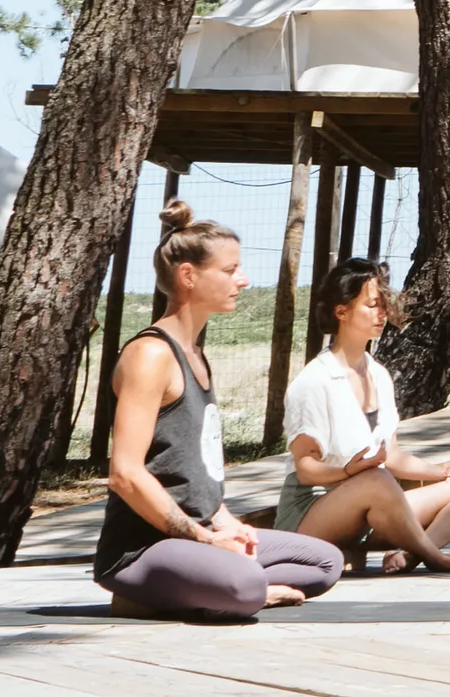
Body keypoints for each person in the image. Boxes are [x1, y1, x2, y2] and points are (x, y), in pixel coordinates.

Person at [93, 201, 348, 622]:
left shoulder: (196, 355)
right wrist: (205, 540)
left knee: (325, 563)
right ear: (188, 276)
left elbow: (196, 468)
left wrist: (227, 524)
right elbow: (126, 474)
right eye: (230, 271)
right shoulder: (150, 355)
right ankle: (216, 586)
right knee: (246, 586)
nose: (243, 281)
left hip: (201, 534)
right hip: (142, 549)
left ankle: (213, 584)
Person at [279, 258, 450, 571]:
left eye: (383, 304)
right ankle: (438, 560)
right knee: (376, 478)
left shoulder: (379, 375)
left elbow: (393, 456)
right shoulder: (314, 381)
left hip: (373, 506)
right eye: (372, 305)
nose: (382, 313)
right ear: (341, 312)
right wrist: (350, 472)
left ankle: (410, 555)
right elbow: (306, 470)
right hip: (311, 514)